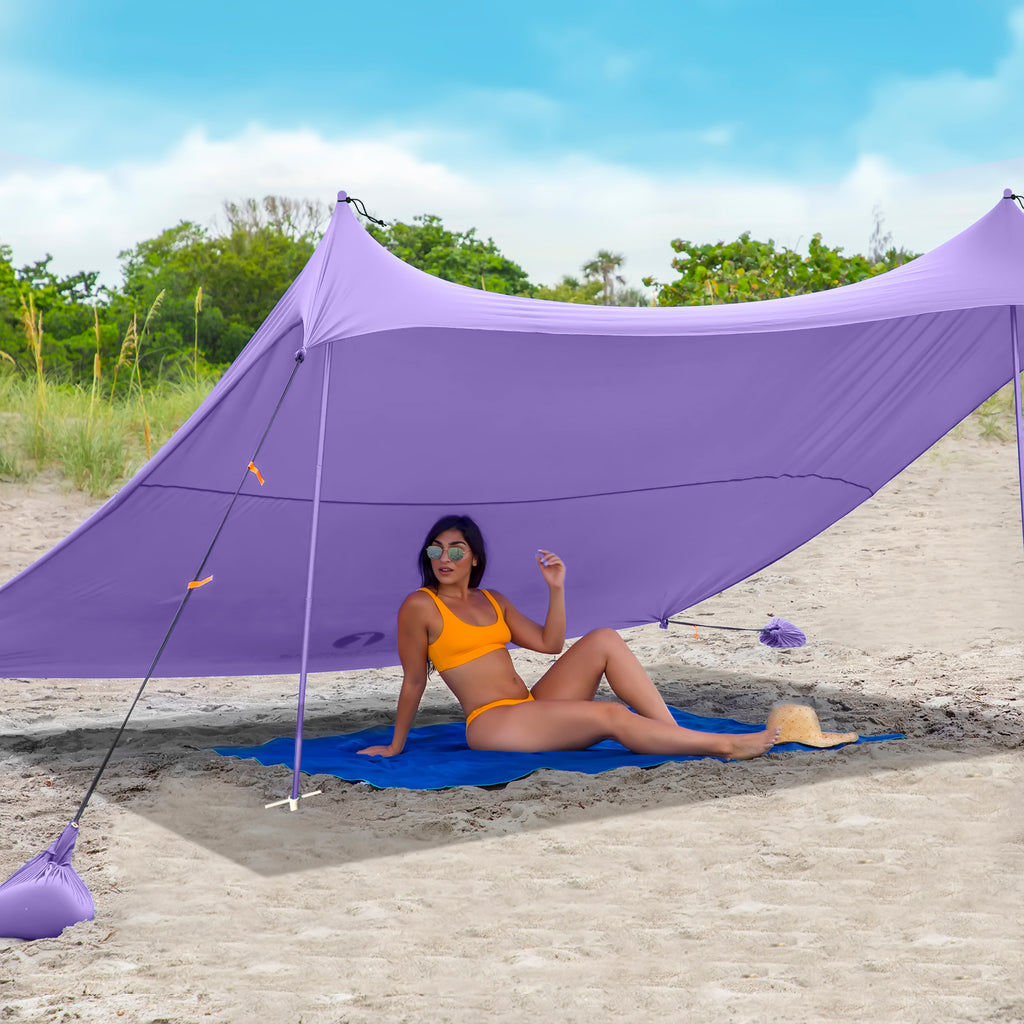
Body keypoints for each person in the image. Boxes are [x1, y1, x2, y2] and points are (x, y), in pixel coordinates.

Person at [358, 514, 779, 760]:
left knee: (603, 639)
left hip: (528, 706)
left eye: (455, 550)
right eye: (436, 550)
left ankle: (673, 734)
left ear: (474, 558)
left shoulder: (493, 599)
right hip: (490, 723)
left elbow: (550, 644)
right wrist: (396, 746)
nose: (443, 559)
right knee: (612, 716)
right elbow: (414, 679)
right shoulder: (419, 606)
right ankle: (722, 745)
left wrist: (555, 589)